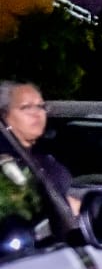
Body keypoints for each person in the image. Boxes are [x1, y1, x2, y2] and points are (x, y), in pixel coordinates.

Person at [0, 81, 78, 212]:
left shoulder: (46, 160)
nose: (37, 113)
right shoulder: (6, 162)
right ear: (4, 115)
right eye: (26, 107)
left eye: (41, 106)